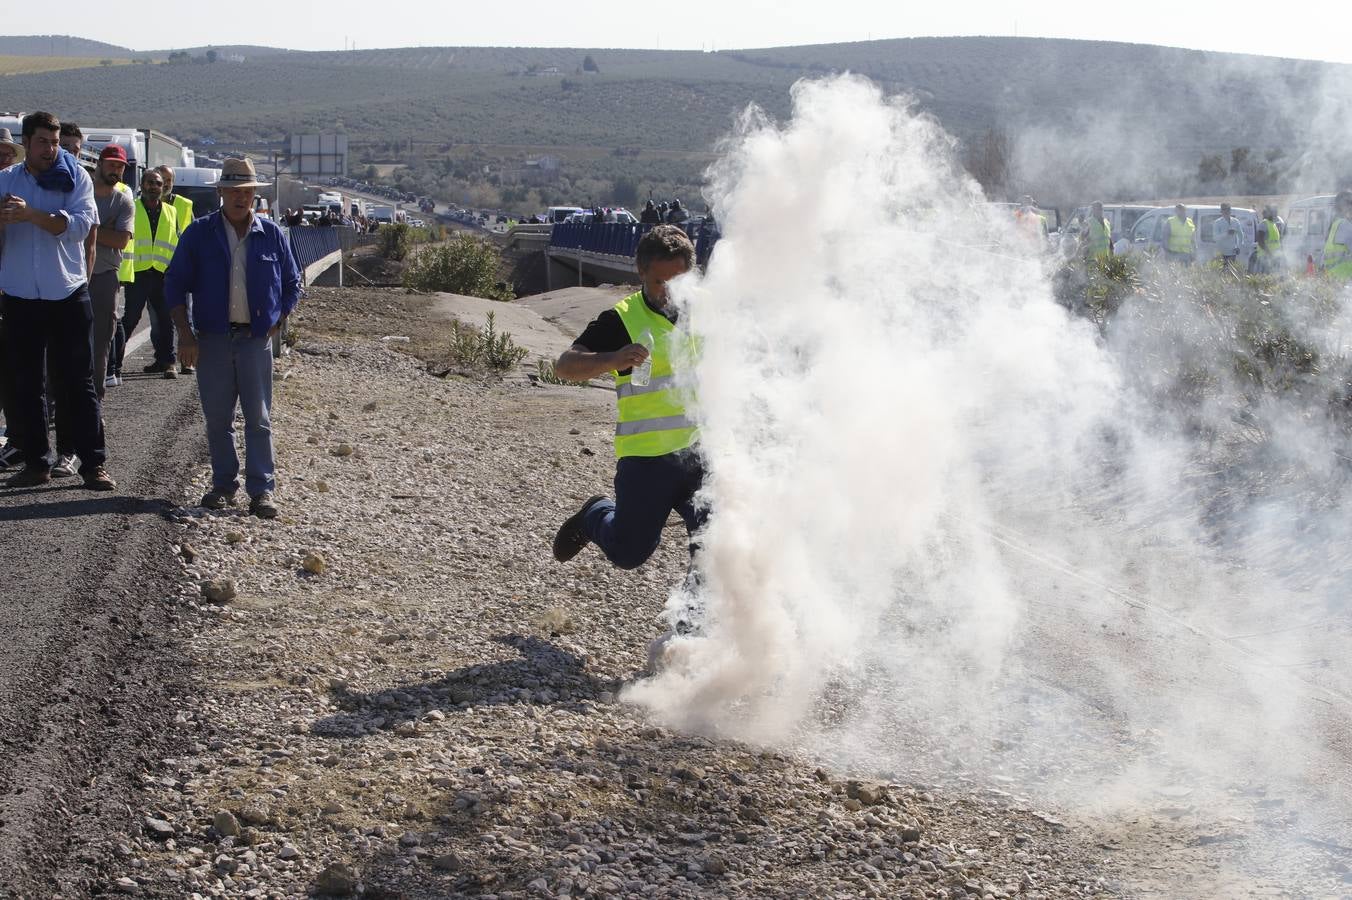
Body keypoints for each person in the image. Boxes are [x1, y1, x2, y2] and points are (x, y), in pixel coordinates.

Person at [551, 225, 705, 603]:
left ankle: (688, 637)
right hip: (648, 457)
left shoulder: (710, 313)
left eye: (679, 281)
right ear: (639, 271)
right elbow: (564, 366)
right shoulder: (621, 319)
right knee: (629, 553)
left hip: (704, 452)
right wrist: (613, 359)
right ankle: (595, 514)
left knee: (716, 549)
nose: (668, 292)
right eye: (659, 282)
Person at [165, 158, 300, 519]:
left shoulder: (271, 233)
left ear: (255, 196)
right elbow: (174, 284)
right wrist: (185, 335)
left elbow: (292, 282)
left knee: (259, 419)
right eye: (234, 191)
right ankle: (223, 485)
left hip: (256, 341)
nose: (241, 198)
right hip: (213, 340)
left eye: (247, 192)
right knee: (217, 419)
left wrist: (279, 319)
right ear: (221, 193)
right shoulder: (198, 233)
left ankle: (262, 491)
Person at [0, 111, 115, 490]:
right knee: (24, 384)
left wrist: (31, 214)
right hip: (19, 297)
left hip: (65, 292)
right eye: (43, 142)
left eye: (54, 142)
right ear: (26, 144)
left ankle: (93, 464)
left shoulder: (76, 178)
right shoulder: (5, 181)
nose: (51, 150)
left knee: (75, 383)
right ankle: (36, 463)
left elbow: (79, 227)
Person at [89, 145, 134, 403]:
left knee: (100, 343)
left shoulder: (123, 201)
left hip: (105, 276)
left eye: (120, 167)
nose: (115, 170)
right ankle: (53, 403)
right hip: (72, 275)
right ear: (100, 164)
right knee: (61, 341)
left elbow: (121, 240)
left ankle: (93, 401)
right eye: (112, 164)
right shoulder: (81, 193)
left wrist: (87, 227)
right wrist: (102, 229)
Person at [126, 168, 180, 377]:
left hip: (161, 273)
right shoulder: (132, 207)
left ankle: (167, 362)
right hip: (138, 272)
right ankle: (113, 363)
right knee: (130, 319)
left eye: (158, 183)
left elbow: (174, 241)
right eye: (150, 183)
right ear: (142, 186)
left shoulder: (171, 211)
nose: (155, 187)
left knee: (166, 319)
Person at [0, 127, 24, 469]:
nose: (4, 158)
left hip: (13, 288)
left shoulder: (19, 190)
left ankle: (16, 439)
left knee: (13, 367)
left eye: (7, 153)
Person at [1322, 190, 1352, 282]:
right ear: (1345, 206)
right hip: (1344, 276)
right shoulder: (1345, 225)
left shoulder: (1336, 224)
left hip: (1333, 275)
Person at [1212, 202, 1242, 269]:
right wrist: (1226, 233)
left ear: (1230, 210)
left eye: (1228, 209)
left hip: (1232, 252)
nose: (1226, 211)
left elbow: (1241, 235)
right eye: (1224, 209)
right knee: (1222, 273)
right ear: (1221, 211)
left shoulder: (1236, 221)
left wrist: (1238, 246)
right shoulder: (1217, 223)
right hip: (1222, 253)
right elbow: (1215, 238)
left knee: (1231, 273)